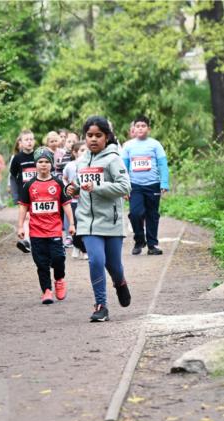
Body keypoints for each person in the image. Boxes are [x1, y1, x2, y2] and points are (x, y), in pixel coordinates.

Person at [66, 116, 132, 322]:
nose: (93, 139)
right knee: (96, 260)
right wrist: (74, 188)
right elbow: (80, 184)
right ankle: (101, 305)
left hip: (111, 221)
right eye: (89, 135)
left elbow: (125, 187)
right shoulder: (81, 161)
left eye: (98, 135)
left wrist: (97, 187)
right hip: (87, 221)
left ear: (107, 137)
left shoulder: (113, 159)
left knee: (114, 266)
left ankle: (120, 282)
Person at [17, 148, 75, 304]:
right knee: (41, 263)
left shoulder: (58, 183)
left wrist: (72, 224)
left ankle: (59, 279)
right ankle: (47, 291)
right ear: (36, 164)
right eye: (40, 162)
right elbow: (23, 207)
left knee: (58, 258)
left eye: (47, 162)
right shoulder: (29, 185)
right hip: (36, 232)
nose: (43, 165)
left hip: (54, 230)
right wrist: (21, 226)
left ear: (51, 164)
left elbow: (66, 204)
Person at [122, 115, 169, 256]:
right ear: (134, 129)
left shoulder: (155, 144)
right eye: (138, 126)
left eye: (143, 126)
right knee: (135, 213)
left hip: (153, 185)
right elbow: (124, 168)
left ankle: (152, 245)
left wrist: (164, 183)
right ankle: (139, 240)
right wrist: (124, 187)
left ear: (148, 129)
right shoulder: (128, 146)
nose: (140, 128)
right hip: (134, 186)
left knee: (152, 215)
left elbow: (162, 164)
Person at [9, 129, 37, 253]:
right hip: (24, 193)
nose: (29, 142)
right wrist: (15, 195)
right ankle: (27, 240)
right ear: (21, 142)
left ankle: (36, 239)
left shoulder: (38, 156)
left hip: (39, 193)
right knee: (26, 217)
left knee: (35, 217)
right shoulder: (17, 158)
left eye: (31, 139)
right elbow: (13, 177)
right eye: (26, 139)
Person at [61, 141, 87, 260]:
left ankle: (85, 250)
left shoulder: (90, 165)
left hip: (86, 201)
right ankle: (77, 245)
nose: (85, 152)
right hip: (73, 202)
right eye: (82, 150)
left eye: (87, 150)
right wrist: (67, 188)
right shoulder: (70, 166)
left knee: (85, 226)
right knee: (75, 226)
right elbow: (64, 178)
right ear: (75, 153)